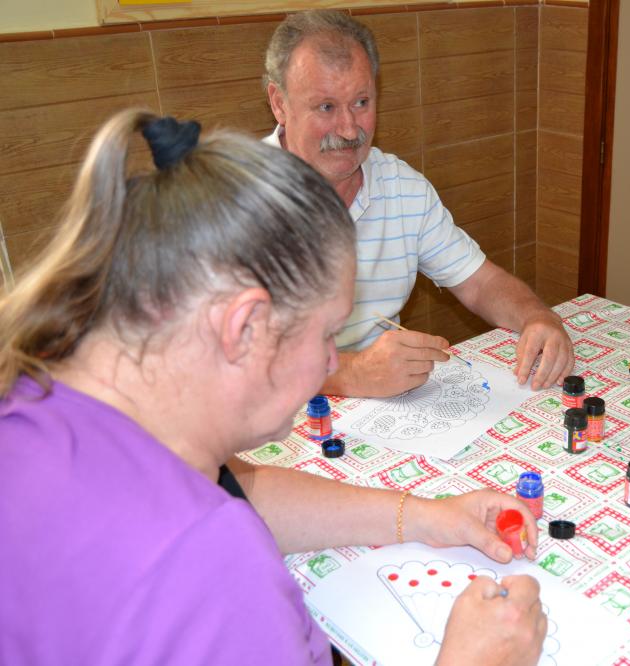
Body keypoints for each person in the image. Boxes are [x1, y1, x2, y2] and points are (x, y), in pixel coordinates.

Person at [0, 110, 546, 665]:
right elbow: (209, 531)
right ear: (243, 328)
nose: (335, 359)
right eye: (328, 333)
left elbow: (237, 489)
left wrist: (427, 514)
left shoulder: (46, 395)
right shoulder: (213, 571)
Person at [262, 10, 575, 398]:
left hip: (385, 410)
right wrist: (350, 374)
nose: (347, 129)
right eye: (326, 107)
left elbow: (480, 284)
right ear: (279, 103)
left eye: (361, 102)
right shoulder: (230, 202)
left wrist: (537, 317)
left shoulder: (401, 187)